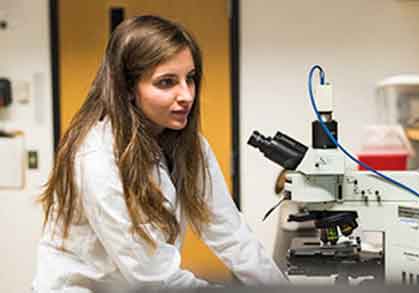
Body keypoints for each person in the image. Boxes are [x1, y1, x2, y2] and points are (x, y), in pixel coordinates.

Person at [33, 15, 286, 292]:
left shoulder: (190, 146)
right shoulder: (97, 158)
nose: (187, 95)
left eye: (189, 79)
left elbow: (230, 233)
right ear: (128, 88)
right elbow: (153, 278)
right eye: (166, 82)